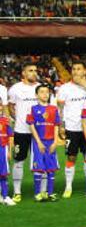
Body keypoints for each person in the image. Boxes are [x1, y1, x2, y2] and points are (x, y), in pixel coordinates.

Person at [55, 61, 86, 198]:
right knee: (71, 156)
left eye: (79, 69)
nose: (76, 71)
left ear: (84, 71)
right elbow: (60, 109)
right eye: (74, 69)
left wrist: (85, 86)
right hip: (72, 128)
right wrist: (60, 126)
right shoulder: (64, 88)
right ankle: (68, 187)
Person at [8, 63, 39, 203]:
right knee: (19, 161)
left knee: (39, 161)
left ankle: (40, 191)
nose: (34, 73)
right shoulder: (15, 89)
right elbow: (11, 107)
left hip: (39, 132)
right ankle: (17, 191)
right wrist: (19, 119)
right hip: (21, 131)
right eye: (30, 71)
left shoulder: (41, 88)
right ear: (24, 73)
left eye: (35, 71)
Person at [28, 83, 61, 202]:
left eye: (47, 92)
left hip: (51, 142)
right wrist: (39, 142)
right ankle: (37, 193)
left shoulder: (54, 109)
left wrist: (55, 142)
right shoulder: (33, 108)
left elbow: (56, 125)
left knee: (51, 168)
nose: (45, 94)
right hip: (38, 143)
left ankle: (50, 193)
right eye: (42, 92)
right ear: (36, 95)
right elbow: (31, 127)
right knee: (38, 168)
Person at [0, 110, 13, 206]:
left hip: (3, 149)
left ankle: (5, 196)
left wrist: (9, 151)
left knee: (3, 173)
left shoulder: (5, 120)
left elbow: (10, 136)